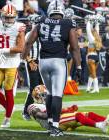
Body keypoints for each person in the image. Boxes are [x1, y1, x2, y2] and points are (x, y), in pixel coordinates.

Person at [23, 0, 82, 136]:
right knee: (57, 94)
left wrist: (23, 58)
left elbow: (28, 42)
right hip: (58, 61)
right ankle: (55, 127)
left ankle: (50, 122)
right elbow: (74, 47)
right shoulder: (68, 23)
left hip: (43, 62)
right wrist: (78, 66)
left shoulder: (41, 21)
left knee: (49, 92)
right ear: (62, 11)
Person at [0, 4, 26, 128]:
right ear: (2, 17)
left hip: (12, 63)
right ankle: (9, 107)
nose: (9, 20)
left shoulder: (19, 27)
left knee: (8, 90)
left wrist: (3, 50)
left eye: (11, 18)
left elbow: (20, 48)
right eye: (6, 17)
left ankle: (7, 118)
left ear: (15, 17)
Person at [27, 85, 109, 134]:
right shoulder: (32, 106)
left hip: (60, 119)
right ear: (37, 96)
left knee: (89, 114)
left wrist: (68, 110)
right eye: (44, 95)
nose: (47, 96)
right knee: (78, 115)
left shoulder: (49, 103)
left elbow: (58, 112)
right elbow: (42, 115)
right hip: (54, 124)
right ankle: (100, 125)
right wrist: (65, 110)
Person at [22, 14, 42, 121]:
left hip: (42, 62)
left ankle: (40, 110)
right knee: (33, 87)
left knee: (43, 87)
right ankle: (25, 111)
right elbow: (23, 50)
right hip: (32, 61)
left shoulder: (43, 33)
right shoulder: (29, 34)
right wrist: (30, 61)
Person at [85, 15, 103, 93]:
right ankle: (88, 88)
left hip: (91, 56)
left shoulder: (92, 39)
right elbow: (97, 30)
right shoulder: (97, 38)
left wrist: (88, 21)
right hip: (96, 57)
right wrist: (97, 23)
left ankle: (96, 88)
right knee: (92, 73)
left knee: (93, 74)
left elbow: (88, 30)